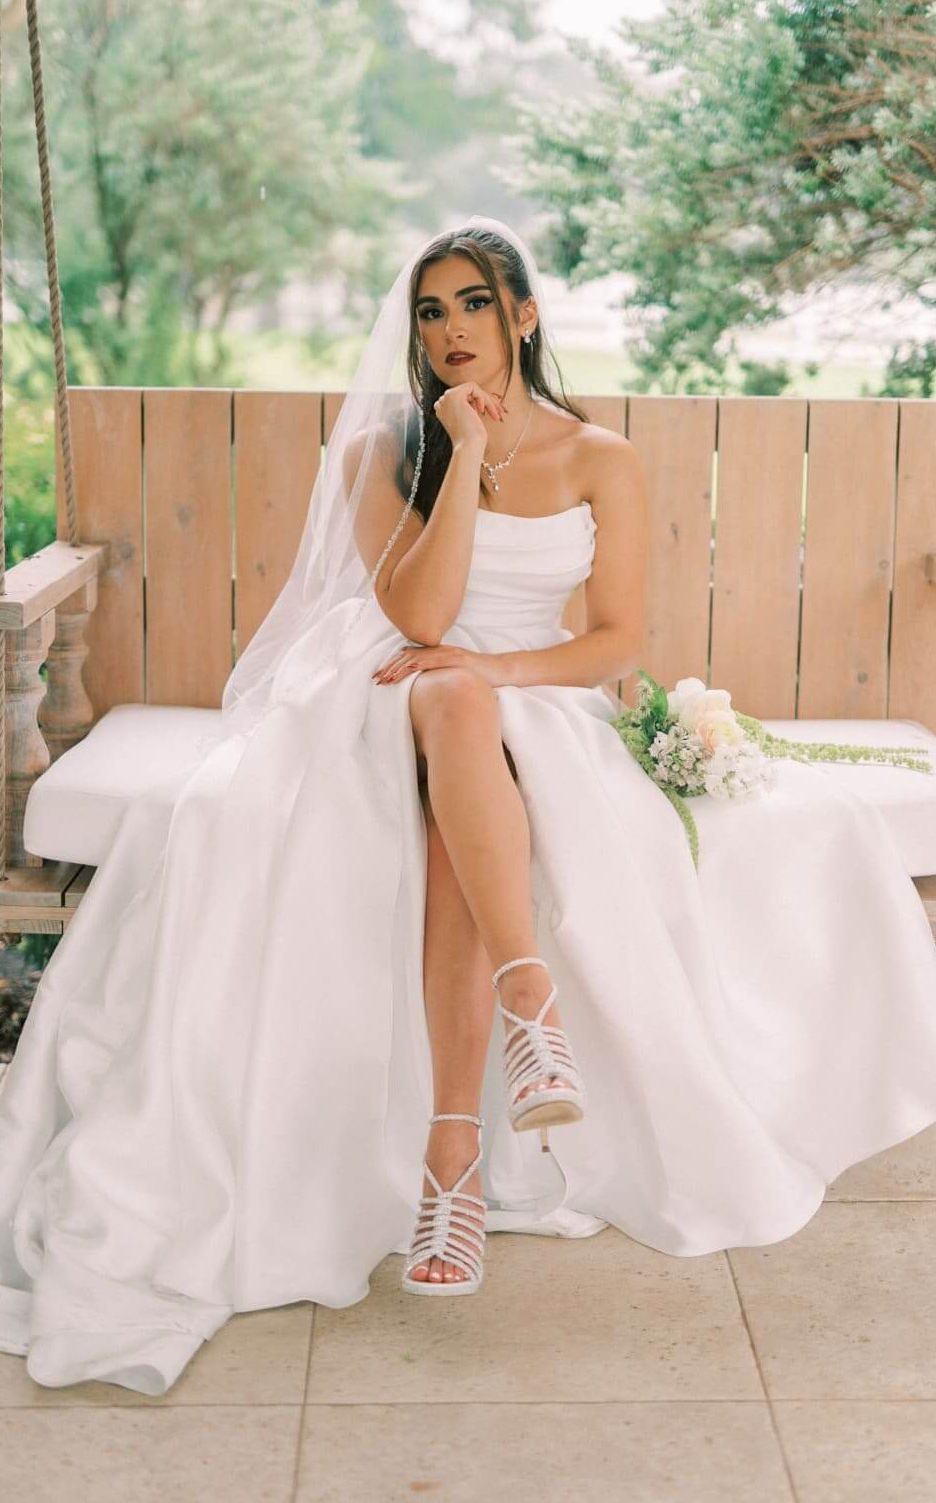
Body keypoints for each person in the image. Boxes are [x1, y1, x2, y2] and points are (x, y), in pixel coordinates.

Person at [2, 216, 936, 1395]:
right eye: (432, 311)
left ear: (524, 316)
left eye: (475, 306)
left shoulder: (604, 457)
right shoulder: (382, 455)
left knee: (457, 758)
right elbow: (425, 620)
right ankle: (524, 1001)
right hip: (382, 691)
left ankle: (453, 1161)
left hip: (535, 698)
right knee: (442, 702)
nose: (451, 330)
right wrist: (450, 455)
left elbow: (611, 641)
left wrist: (491, 676)